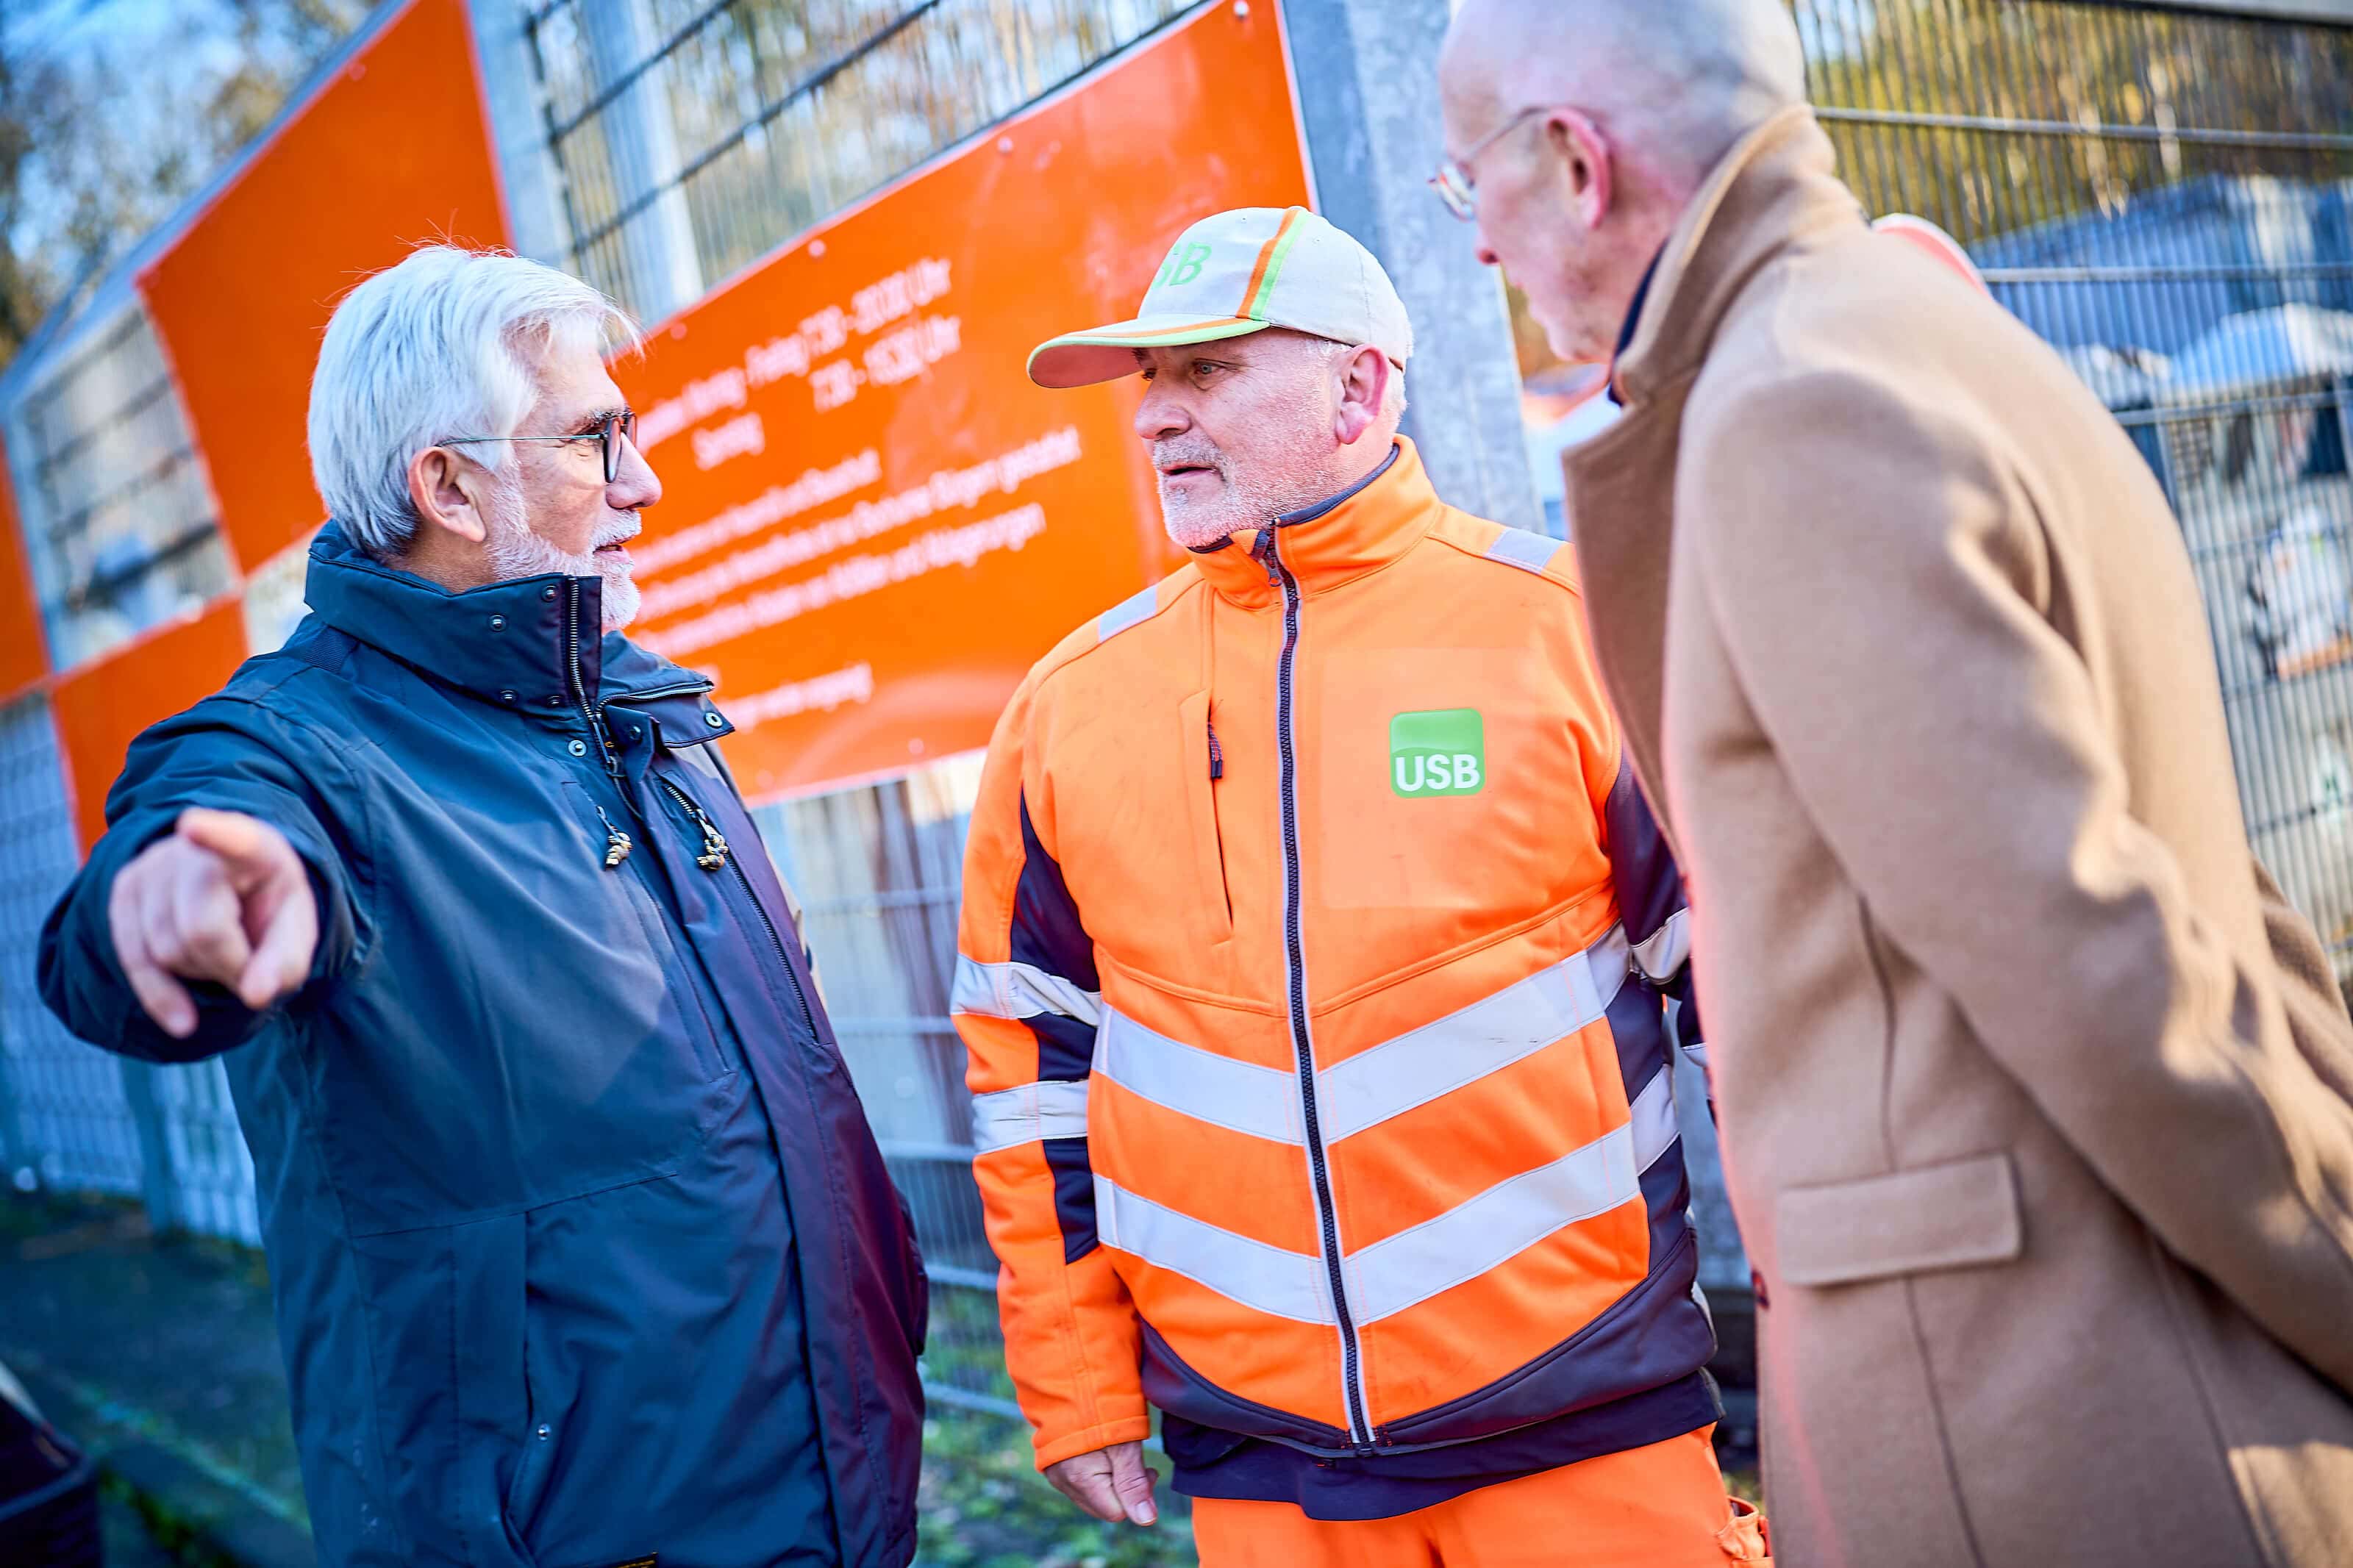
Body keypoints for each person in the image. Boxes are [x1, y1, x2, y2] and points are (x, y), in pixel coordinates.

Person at [1435, 3, 2353, 1565]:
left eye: (1471, 193)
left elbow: (2101, 960)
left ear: (1575, 165)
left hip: (2046, 1424)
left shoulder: (1796, 406)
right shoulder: (1911, 330)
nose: (1478, 253)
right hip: (2094, 1375)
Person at [38, 246, 928, 1568]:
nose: (645, 480)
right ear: (447, 485)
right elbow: (157, 877)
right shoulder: (298, 748)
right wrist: (174, 887)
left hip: (831, 1500)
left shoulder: (645, 715)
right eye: (594, 438)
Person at [951, 206, 1768, 1568]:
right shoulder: (1066, 710)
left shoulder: (1571, 630)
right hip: (1260, 1465)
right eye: (1148, 383)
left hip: (1580, 1423)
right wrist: (1077, 1375)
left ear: (1360, 387)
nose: (1156, 417)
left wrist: (1828, 1299)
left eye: (1207, 371)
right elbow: (1029, 1069)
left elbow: (1751, 994)